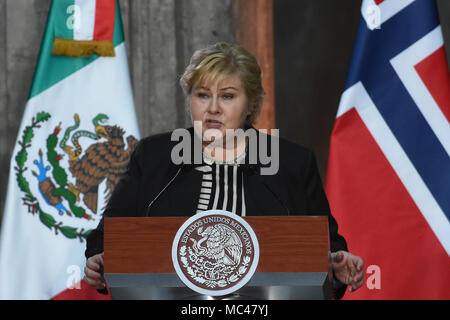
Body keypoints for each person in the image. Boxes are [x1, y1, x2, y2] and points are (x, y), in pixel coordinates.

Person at [83, 42, 364, 299]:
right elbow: (108, 235)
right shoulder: (155, 157)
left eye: (228, 96)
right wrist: (99, 259)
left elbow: (326, 245)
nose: (213, 108)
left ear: (250, 105)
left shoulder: (291, 162)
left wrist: (337, 264)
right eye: (203, 95)